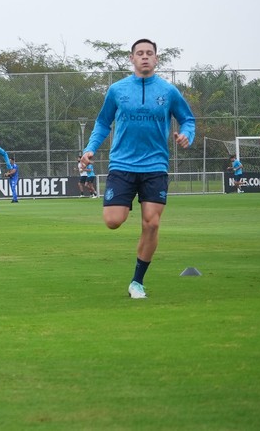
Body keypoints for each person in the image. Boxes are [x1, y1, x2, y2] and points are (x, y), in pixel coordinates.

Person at [81, 38, 196, 300]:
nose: (145, 57)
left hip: (155, 165)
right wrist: (90, 148)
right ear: (131, 59)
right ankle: (129, 212)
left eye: (149, 53)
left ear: (156, 59)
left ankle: (137, 282)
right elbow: (102, 123)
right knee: (113, 221)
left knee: (152, 223)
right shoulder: (117, 90)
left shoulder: (168, 92)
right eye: (139, 53)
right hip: (122, 164)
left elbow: (187, 119)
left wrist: (187, 134)